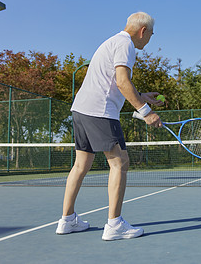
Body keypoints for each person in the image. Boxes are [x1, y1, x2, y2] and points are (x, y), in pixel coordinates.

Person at [55, 12, 163, 240]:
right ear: (143, 31)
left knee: (81, 165)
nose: (150, 39)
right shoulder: (127, 45)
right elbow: (122, 82)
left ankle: (67, 219)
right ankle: (114, 225)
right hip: (100, 112)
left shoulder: (112, 41)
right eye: (151, 34)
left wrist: (142, 96)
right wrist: (146, 112)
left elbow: (112, 82)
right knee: (120, 163)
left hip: (81, 110)